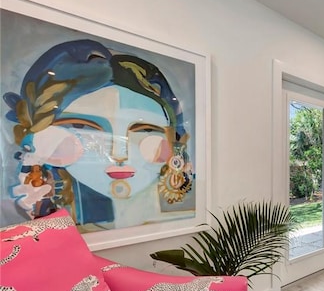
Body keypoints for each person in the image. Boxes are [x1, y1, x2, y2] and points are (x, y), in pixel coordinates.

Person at [2, 39, 194, 230]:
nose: (119, 154)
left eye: (145, 130)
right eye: (82, 127)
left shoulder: (185, 216)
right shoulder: (20, 210)